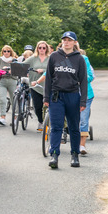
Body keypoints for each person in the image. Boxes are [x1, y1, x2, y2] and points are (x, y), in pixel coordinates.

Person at [44, 31, 88, 169]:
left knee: (74, 127)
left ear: (74, 42)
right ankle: (54, 155)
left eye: (70, 40)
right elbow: (49, 78)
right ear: (61, 41)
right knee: (56, 127)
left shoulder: (79, 59)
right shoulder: (54, 56)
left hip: (73, 95)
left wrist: (83, 101)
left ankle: (75, 155)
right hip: (56, 96)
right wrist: (46, 97)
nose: (66, 42)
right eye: (64, 40)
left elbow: (83, 81)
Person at [26, 41, 52, 131]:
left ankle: (48, 122)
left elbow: (53, 69)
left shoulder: (50, 58)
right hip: (35, 85)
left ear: (46, 49)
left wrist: (43, 70)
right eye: (40, 47)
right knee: (37, 106)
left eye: (44, 48)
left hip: (47, 85)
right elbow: (23, 65)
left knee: (48, 105)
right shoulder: (33, 58)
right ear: (37, 48)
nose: (41, 49)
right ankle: (41, 121)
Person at [0, 44, 18, 126]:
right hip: (2, 81)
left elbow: (19, 70)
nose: (6, 53)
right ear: (2, 52)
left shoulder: (14, 60)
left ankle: (15, 118)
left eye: (8, 51)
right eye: (4, 51)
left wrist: (12, 70)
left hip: (12, 80)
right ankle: (3, 117)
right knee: (1, 99)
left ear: (11, 52)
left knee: (14, 100)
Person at [77, 45, 95, 154]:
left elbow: (90, 76)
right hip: (68, 94)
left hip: (85, 95)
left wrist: (78, 80)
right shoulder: (61, 59)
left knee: (83, 120)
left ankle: (82, 145)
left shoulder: (84, 59)